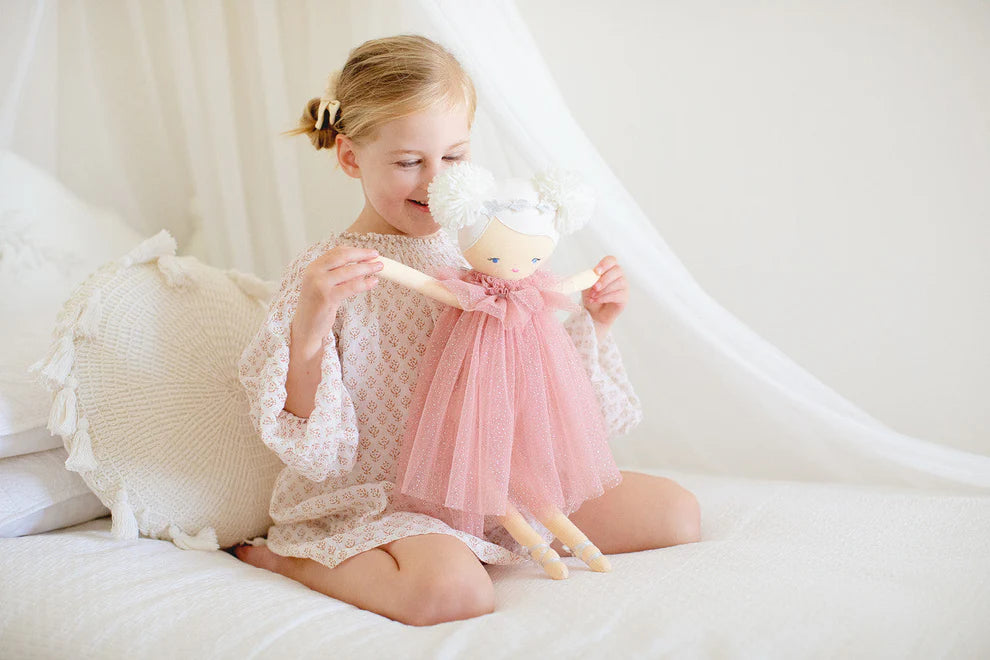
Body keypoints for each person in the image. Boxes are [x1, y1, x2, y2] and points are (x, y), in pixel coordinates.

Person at [233, 34, 701, 627]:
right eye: (409, 162)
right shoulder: (328, 273)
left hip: (494, 487)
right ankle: (290, 560)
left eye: (453, 158)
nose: (434, 183)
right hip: (385, 498)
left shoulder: (480, 253)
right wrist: (311, 324)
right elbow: (314, 446)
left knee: (676, 514)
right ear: (350, 157)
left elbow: (533, 375)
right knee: (454, 594)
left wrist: (596, 325)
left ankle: (483, 538)